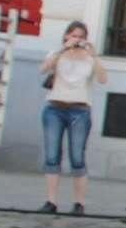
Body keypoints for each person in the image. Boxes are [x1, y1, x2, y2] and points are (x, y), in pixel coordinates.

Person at [39, 20, 106, 215]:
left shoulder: (89, 58)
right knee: (52, 155)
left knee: (77, 156)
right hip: (54, 108)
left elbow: (103, 79)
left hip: (79, 110)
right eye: (74, 36)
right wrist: (62, 50)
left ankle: (79, 203)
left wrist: (94, 55)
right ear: (67, 36)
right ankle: (50, 201)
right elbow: (43, 69)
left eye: (81, 37)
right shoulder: (57, 54)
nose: (77, 40)